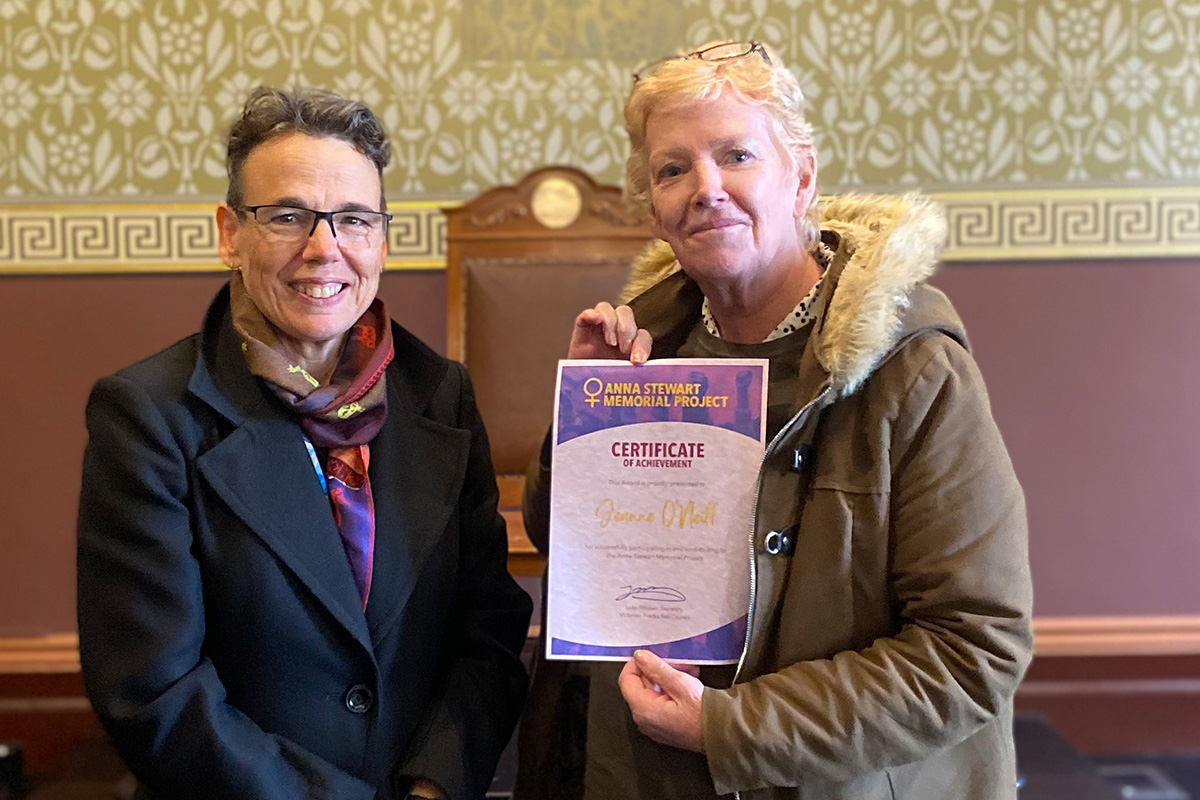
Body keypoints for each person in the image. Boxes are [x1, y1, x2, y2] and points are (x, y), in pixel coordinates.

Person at [515, 42, 1032, 800]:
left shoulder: (913, 370)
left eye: (736, 154)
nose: (706, 189)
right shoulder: (644, 351)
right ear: (653, 210)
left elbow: (973, 648)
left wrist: (730, 728)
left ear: (803, 176)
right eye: (673, 169)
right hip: (641, 770)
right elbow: (568, 548)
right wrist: (584, 416)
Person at [77, 87, 532, 800]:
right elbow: (155, 691)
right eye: (288, 217)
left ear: (383, 238)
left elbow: (490, 630)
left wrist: (434, 785)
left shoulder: (441, 394)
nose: (325, 249)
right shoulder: (149, 415)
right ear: (230, 233)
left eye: (353, 219)